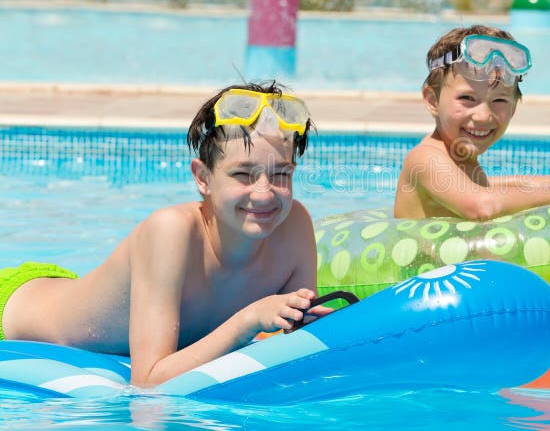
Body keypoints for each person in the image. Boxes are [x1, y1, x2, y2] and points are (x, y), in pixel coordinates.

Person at [0, 82, 331, 387]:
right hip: (12, 309)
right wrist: (248, 321)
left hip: (67, 292)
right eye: (243, 174)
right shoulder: (171, 232)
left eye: (281, 174)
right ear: (202, 178)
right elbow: (147, 382)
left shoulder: (295, 223)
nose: (264, 193)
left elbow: (301, 343)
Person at [395, 25, 550, 220]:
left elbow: (483, 185)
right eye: (467, 98)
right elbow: (482, 206)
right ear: (432, 100)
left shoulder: (458, 159)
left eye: (498, 100)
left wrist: (539, 183)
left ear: (514, 107)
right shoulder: (426, 158)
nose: (483, 115)